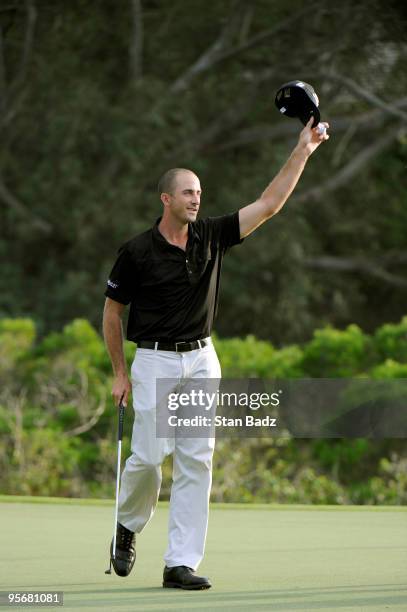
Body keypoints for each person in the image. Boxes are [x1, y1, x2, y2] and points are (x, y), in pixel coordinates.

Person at [102, 117, 329, 590]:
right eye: (188, 192)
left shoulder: (211, 235)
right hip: (156, 361)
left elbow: (269, 204)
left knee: (196, 460)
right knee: (147, 458)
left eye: (199, 192)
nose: (197, 199)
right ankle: (128, 525)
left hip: (202, 360)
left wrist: (303, 149)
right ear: (166, 198)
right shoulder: (136, 252)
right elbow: (111, 313)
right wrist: (119, 373)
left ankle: (178, 563)